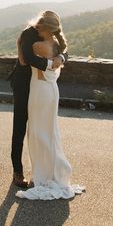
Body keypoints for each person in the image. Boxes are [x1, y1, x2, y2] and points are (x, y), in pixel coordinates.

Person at [15, 35, 85, 200]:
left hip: (39, 90)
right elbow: (62, 56)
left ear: (43, 26)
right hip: (52, 89)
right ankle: (54, 172)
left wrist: (20, 44)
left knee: (39, 133)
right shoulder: (56, 45)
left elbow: (25, 62)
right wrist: (61, 56)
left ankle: (43, 175)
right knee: (50, 131)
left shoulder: (37, 45)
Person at [7, 10, 68, 188]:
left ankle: (43, 169)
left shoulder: (54, 34)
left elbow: (64, 49)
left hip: (39, 85)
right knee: (20, 126)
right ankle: (17, 171)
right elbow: (28, 59)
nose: (37, 26)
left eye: (41, 25)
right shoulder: (28, 33)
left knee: (40, 126)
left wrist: (61, 57)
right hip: (23, 83)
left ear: (48, 28)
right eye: (38, 23)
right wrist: (51, 64)